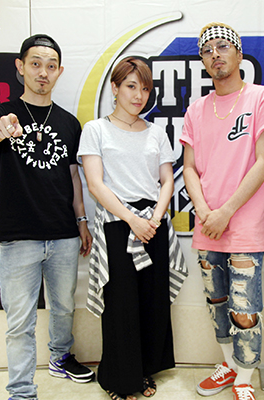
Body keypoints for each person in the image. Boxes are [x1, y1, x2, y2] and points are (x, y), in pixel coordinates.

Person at [0, 34, 95, 400]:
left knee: (63, 308)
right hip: (19, 236)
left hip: (63, 235)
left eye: (50, 66)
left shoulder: (70, 123)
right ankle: (21, 391)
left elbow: (73, 176)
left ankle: (60, 357)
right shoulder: (1, 112)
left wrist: (81, 221)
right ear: (21, 67)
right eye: (35, 64)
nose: (43, 72)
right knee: (20, 323)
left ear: (59, 71)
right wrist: (1, 128)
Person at [181, 22, 264, 400]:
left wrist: (226, 211)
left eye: (223, 47)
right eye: (207, 50)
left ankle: (245, 376)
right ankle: (228, 364)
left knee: (245, 308)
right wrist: (205, 210)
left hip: (244, 226)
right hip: (207, 225)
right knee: (217, 303)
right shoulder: (196, 109)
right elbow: (189, 167)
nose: (215, 55)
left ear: (240, 54)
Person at [79, 57, 187, 400]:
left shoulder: (156, 132)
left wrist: (154, 219)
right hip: (118, 227)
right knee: (120, 307)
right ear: (115, 88)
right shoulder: (95, 130)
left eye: (144, 88)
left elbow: (167, 180)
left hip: (153, 225)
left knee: (152, 302)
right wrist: (132, 219)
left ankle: (143, 371)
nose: (138, 95)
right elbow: (95, 184)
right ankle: (119, 379)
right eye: (130, 86)